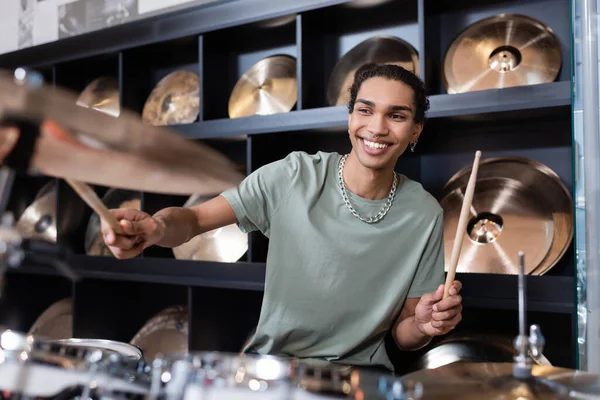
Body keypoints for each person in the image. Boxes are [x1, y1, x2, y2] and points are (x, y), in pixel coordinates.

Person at [101, 63, 463, 372]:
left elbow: (405, 334)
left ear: (415, 130)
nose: (377, 127)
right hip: (276, 370)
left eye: (396, 115)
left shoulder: (424, 213)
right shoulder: (293, 176)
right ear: (350, 116)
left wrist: (424, 323)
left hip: (360, 378)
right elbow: (194, 220)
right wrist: (155, 227)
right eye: (365, 110)